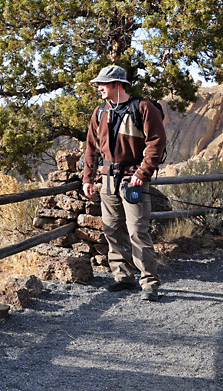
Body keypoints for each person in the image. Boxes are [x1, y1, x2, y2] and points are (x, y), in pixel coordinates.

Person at [82, 65, 167, 301]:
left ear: (117, 84)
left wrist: (143, 173)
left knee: (138, 231)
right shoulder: (100, 112)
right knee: (112, 230)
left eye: (103, 84)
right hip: (108, 180)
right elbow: (90, 148)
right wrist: (87, 178)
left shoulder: (143, 108)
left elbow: (156, 143)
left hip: (133, 181)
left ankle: (149, 283)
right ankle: (123, 277)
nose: (99, 88)